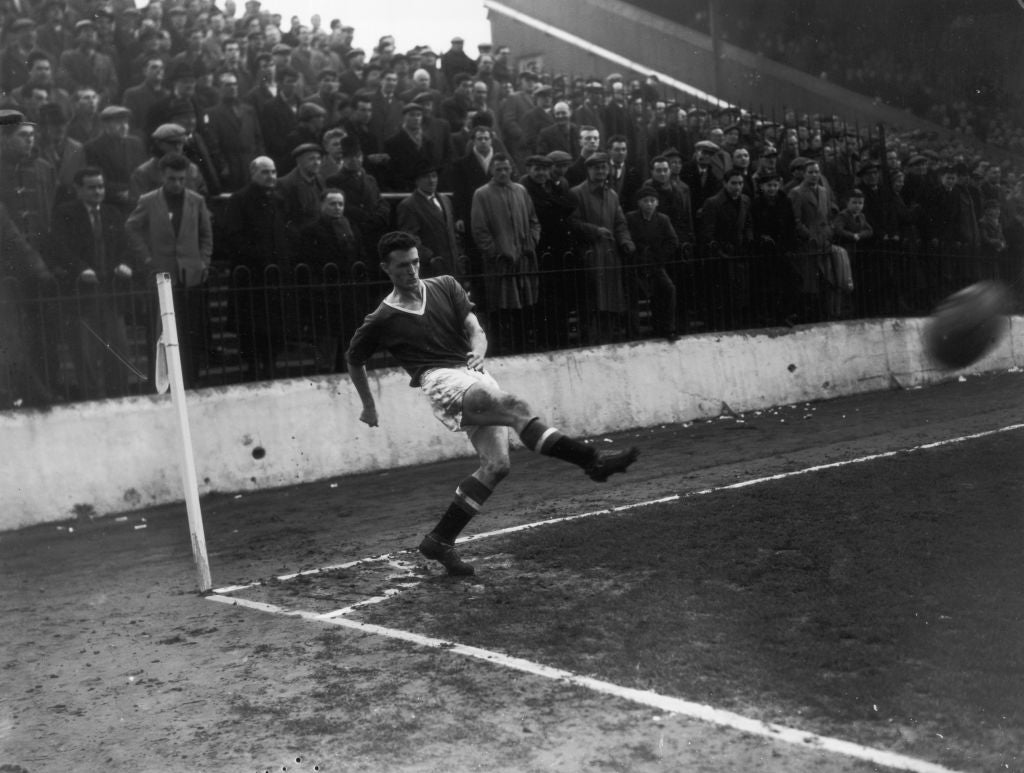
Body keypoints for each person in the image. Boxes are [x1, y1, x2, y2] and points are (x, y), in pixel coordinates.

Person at [345, 230, 640, 576]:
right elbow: (354, 359)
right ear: (386, 268)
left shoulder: (445, 285)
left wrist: (479, 350)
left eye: (415, 263)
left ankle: (440, 540)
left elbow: (474, 327)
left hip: (473, 374)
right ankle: (592, 460)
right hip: (440, 380)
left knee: (497, 465)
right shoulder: (382, 317)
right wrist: (368, 405)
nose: (411, 271)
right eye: (402, 267)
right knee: (515, 406)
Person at [125, 152, 213, 388]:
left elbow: (206, 234)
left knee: (191, 331)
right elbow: (131, 227)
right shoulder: (148, 200)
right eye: (172, 178)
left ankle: (191, 380)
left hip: (191, 276)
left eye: (181, 179)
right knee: (162, 331)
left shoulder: (196, 200)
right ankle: (163, 382)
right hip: (162, 276)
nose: (177, 184)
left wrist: (203, 261)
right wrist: (146, 258)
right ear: (163, 176)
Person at [50, 167, 135, 399]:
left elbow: (126, 245)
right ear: (78, 189)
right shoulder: (65, 213)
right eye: (92, 187)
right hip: (81, 293)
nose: (98, 191)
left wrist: (124, 264)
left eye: (101, 186)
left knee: (118, 350)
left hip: (109, 292)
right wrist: (80, 269)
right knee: (86, 354)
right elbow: (60, 248)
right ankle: (92, 401)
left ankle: (120, 399)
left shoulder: (112, 214)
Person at [470, 153, 542, 354]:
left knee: (524, 308)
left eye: (506, 169)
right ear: (491, 170)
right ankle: (503, 349)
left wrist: (531, 242)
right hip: (500, 263)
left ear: (511, 170)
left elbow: (534, 221)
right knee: (501, 309)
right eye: (498, 169)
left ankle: (523, 347)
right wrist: (497, 253)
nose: (502, 172)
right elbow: (479, 229)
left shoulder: (521, 191)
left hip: (524, 261)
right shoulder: (482, 194)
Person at [625, 186, 680, 341]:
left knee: (669, 289)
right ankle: (633, 334)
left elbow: (673, 241)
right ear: (639, 203)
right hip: (635, 265)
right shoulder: (631, 218)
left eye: (652, 201)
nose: (649, 204)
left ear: (657, 203)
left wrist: (659, 257)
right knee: (632, 295)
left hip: (656, 264)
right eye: (645, 201)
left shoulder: (663, 219)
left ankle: (668, 329)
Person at [396, 161, 459, 277]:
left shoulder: (445, 200)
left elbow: (452, 232)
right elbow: (410, 239)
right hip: (430, 269)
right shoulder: (409, 205)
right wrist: (430, 257)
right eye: (426, 177)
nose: (432, 180)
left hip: (452, 266)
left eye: (434, 176)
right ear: (417, 181)